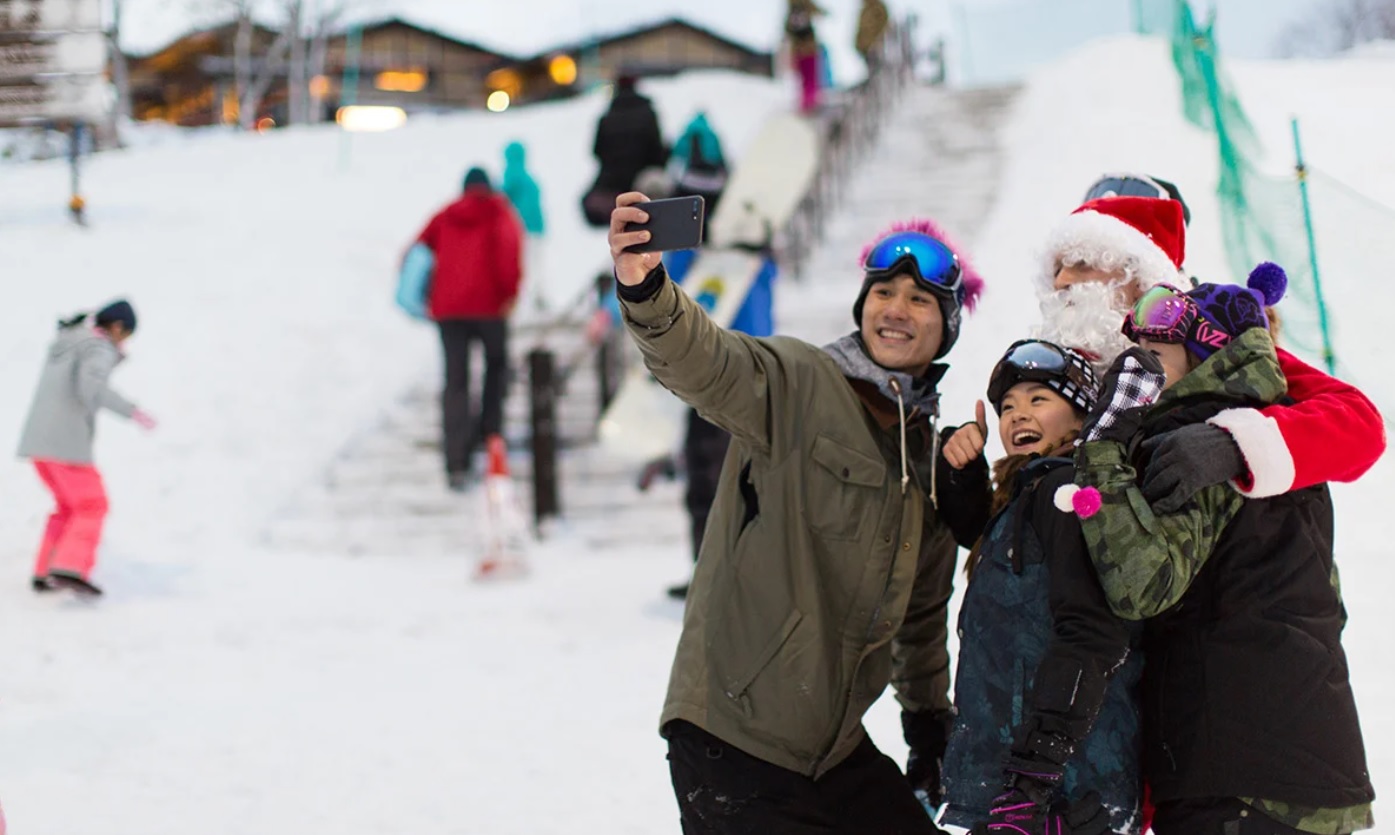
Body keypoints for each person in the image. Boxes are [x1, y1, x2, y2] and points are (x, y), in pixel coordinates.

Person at [609, 196, 989, 834]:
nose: (896, 309)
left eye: (920, 300)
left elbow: (921, 614)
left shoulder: (927, 454)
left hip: (832, 751)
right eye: (884, 292)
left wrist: (927, 726)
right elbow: (704, 359)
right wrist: (647, 287)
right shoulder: (796, 381)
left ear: (946, 326)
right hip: (734, 739)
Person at [1072, 266, 1376, 834]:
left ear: (1208, 350)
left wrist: (1100, 453)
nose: (1133, 357)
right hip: (1304, 765)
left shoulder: (1194, 437)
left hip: (1238, 777)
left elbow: (1141, 585)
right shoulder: (1262, 430)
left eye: (1152, 346)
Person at [1034, 193, 1385, 510]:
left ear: (1139, 275)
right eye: (1057, 269)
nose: (1062, 280)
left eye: (1082, 263)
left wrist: (1234, 445)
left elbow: (1360, 426)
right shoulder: (1050, 370)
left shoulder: (1211, 342)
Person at [938, 340, 1138, 835]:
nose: (1016, 414)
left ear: (1080, 417)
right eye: (1007, 406)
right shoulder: (1027, 495)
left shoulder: (1066, 493)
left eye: (1037, 399)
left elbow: (1092, 632)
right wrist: (961, 470)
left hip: (1056, 791)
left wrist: (1035, 774)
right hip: (1023, 788)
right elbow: (978, 536)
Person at [17, 299, 156, 596]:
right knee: (93, 504)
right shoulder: (96, 346)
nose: (125, 342)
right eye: (127, 334)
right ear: (117, 327)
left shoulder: (69, 341)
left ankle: (46, 571)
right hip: (65, 443)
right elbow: (91, 386)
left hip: (38, 443)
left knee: (68, 507)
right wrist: (132, 411)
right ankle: (70, 567)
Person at [405, 166, 523, 490]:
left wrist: (427, 293)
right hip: (489, 308)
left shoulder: (444, 215)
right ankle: (490, 432)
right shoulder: (499, 212)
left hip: (450, 310)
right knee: (496, 368)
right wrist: (508, 294)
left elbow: (415, 252)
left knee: (455, 381)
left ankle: (456, 461)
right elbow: (508, 254)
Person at [581, 75, 668, 227]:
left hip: (611, 184)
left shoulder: (607, 117)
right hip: (642, 183)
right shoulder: (648, 113)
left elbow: (596, 151)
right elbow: (657, 149)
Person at [501, 140, 547, 312]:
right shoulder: (526, 177)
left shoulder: (510, 175)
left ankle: (529, 300)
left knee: (525, 265)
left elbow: (502, 201)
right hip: (534, 228)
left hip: (522, 230)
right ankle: (536, 298)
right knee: (534, 264)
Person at [667, 111, 729, 227]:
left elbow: (676, 158)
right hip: (712, 185)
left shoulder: (687, 134)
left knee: (686, 215)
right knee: (705, 216)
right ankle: (703, 239)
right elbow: (721, 160)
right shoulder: (713, 136)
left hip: (690, 182)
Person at [785, 0, 827, 114]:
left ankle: (807, 103)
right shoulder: (802, 5)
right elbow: (817, 11)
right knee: (810, 77)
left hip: (800, 50)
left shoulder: (792, 8)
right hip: (807, 49)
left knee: (806, 78)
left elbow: (787, 30)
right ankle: (810, 103)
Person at [855, 0, 890, 76]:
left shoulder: (878, 8)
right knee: (872, 72)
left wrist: (877, 43)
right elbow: (861, 30)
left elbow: (885, 26)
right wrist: (858, 45)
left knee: (877, 72)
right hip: (865, 49)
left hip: (875, 48)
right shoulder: (865, 10)